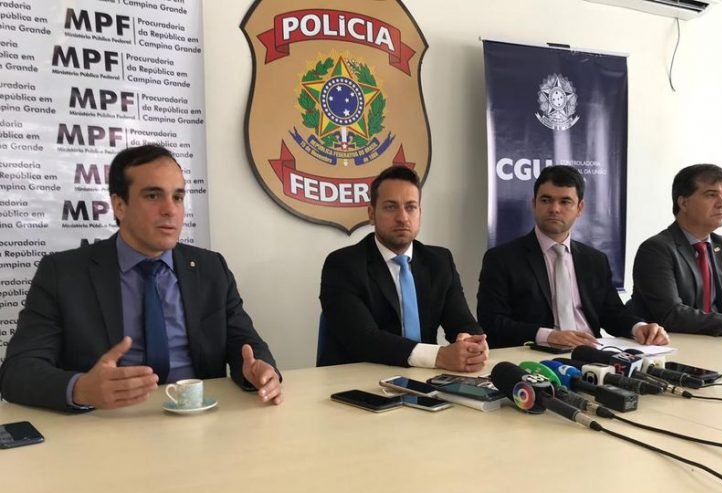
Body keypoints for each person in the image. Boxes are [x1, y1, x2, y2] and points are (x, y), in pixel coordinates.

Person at [0, 144, 282, 412]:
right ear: (119, 206)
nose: (170, 209)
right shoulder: (63, 273)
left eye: (178, 197)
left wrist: (259, 370)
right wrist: (81, 389)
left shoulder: (210, 268)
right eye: (153, 196)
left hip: (198, 418)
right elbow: (17, 371)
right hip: (106, 426)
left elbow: (245, 343)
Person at [477, 165, 669, 349]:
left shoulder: (595, 260)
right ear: (534, 204)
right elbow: (491, 321)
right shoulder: (502, 259)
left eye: (565, 202)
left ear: (579, 208)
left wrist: (639, 327)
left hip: (591, 351)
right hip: (536, 353)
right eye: (546, 200)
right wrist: (548, 336)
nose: (555, 209)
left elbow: (612, 313)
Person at [319, 165, 488, 372]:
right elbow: (363, 339)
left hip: (425, 378)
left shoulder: (439, 261)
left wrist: (472, 344)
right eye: (391, 207)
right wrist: (439, 356)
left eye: (411, 207)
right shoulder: (343, 265)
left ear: (420, 213)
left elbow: (462, 321)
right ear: (371, 214)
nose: (403, 217)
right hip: (357, 379)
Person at [627, 163, 722, 336]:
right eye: (711, 195)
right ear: (683, 203)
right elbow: (671, 315)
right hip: (673, 343)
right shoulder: (656, 249)